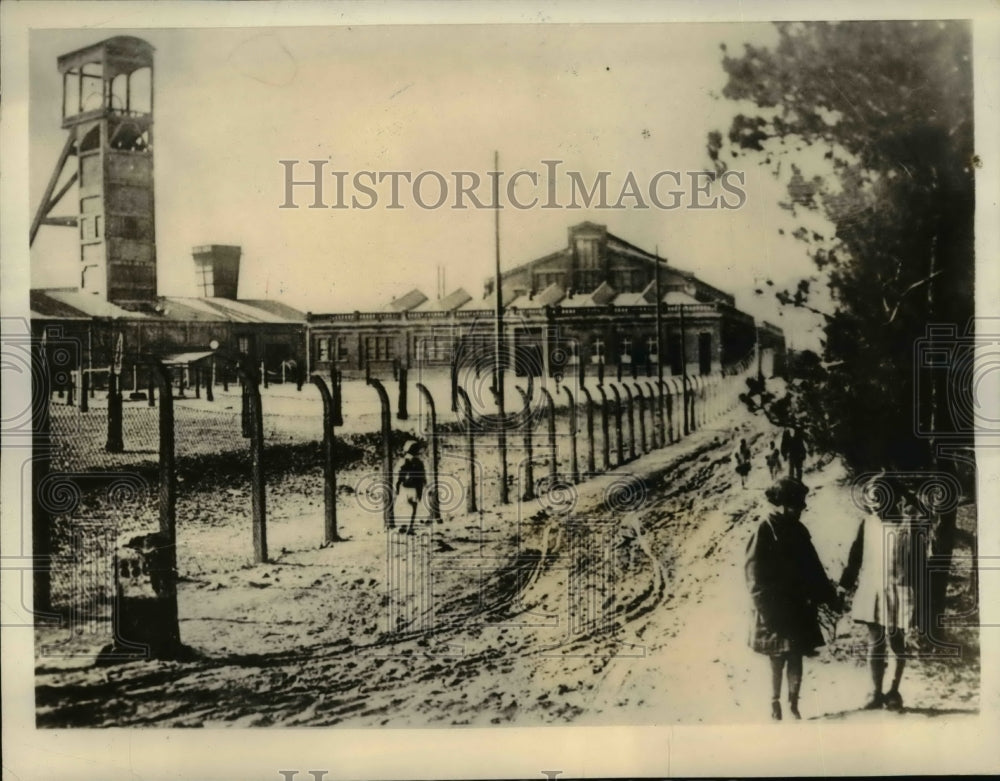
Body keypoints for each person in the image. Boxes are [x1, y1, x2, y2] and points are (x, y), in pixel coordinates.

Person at [745, 477, 840, 720]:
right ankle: (774, 702)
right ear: (781, 505)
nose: (800, 510)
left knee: (796, 654)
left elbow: (813, 567)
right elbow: (754, 576)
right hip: (774, 607)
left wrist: (829, 597)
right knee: (777, 656)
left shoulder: (799, 530)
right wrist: (765, 609)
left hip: (798, 606)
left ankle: (793, 704)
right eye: (795, 506)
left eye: (801, 505)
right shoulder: (765, 530)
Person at [839, 480, 927, 711]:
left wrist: (920, 599)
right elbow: (855, 558)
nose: (875, 505)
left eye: (879, 499)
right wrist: (844, 586)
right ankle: (875, 692)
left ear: (892, 499)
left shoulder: (909, 526)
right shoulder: (867, 524)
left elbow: (920, 566)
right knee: (875, 642)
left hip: (900, 590)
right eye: (871, 500)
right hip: (873, 590)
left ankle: (894, 691)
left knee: (896, 642)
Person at [395, 440, 427, 534]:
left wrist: (397, 485)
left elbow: (399, 475)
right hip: (414, 488)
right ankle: (410, 527)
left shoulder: (402, 461)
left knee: (404, 506)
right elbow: (422, 477)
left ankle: (403, 525)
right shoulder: (418, 462)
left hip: (404, 487)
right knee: (413, 507)